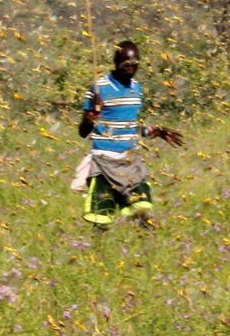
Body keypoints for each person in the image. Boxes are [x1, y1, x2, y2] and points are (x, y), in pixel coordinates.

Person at [76, 40, 184, 228]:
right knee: (101, 219)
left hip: (130, 161)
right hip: (104, 161)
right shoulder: (98, 88)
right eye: (126, 64)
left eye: (135, 65)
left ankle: (148, 252)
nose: (131, 68)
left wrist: (155, 131)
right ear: (116, 62)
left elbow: (130, 126)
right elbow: (83, 132)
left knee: (142, 210)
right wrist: (91, 116)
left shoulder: (137, 88)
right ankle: (98, 252)